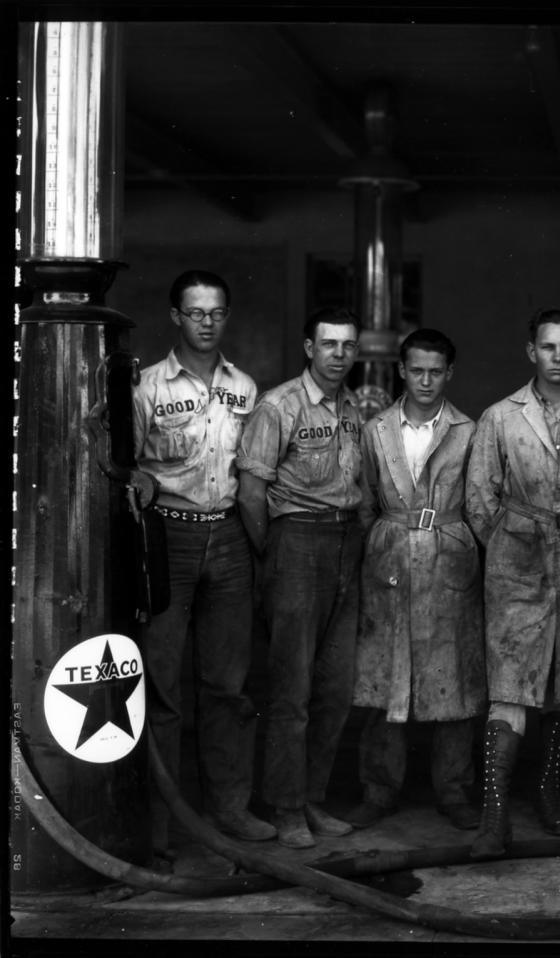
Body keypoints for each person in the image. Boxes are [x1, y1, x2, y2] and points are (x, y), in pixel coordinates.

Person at [464, 307, 560, 859]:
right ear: (531, 351)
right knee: (509, 685)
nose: (558, 357)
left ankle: (550, 795)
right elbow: (480, 499)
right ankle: (495, 815)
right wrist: (512, 544)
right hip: (518, 560)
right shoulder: (501, 417)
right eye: (548, 347)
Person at [133, 269, 275, 855]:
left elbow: (254, 470)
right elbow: (126, 465)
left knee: (227, 684)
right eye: (196, 312)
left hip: (229, 538)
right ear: (176, 316)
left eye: (217, 311)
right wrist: (140, 480)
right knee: (162, 684)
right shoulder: (146, 388)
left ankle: (229, 810)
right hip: (169, 536)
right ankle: (163, 821)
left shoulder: (245, 387)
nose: (207, 321)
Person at [344, 329, 486, 832]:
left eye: (436, 371)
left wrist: (464, 548)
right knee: (384, 676)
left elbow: (481, 504)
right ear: (401, 371)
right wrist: (380, 544)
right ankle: (379, 789)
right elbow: (362, 501)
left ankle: (454, 790)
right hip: (389, 554)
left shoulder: (469, 430)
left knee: (456, 677)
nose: (426, 380)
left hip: (449, 553)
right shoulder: (376, 429)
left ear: (449, 373)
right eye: (416, 370)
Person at [236, 307, 365, 850]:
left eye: (348, 346)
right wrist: (277, 556)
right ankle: (286, 808)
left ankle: (312, 798)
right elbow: (250, 494)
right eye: (329, 344)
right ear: (308, 347)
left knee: (335, 689)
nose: (339, 354)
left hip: (345, 542)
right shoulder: (278, 405)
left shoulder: (353, 407)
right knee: (292, 690)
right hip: (296, 543)